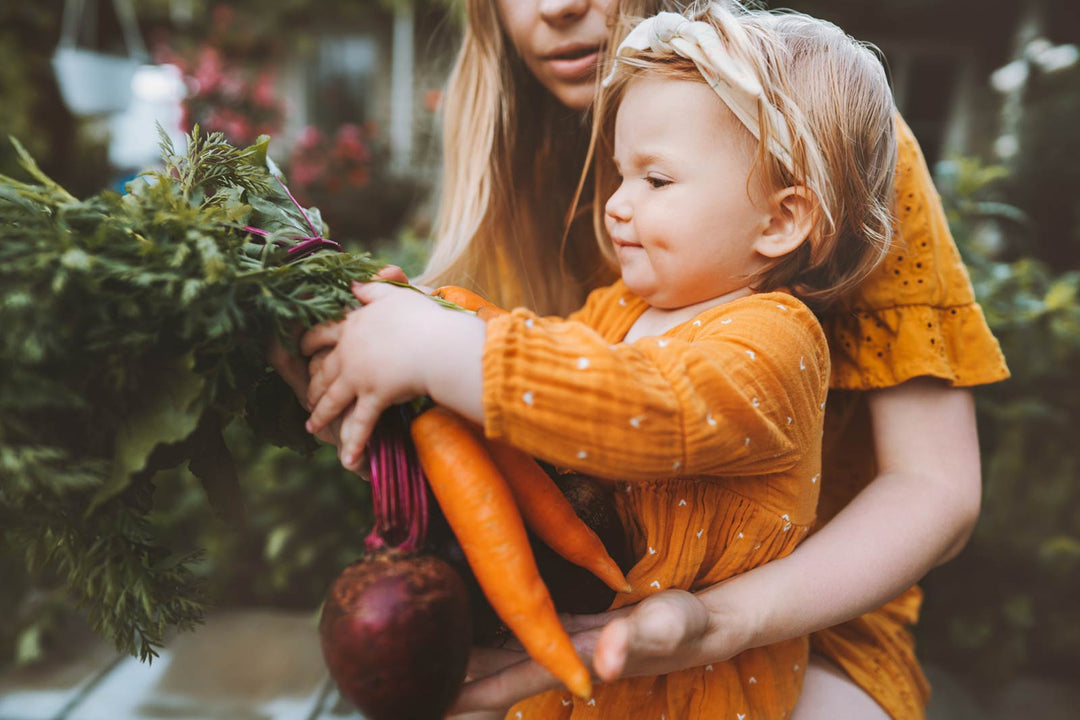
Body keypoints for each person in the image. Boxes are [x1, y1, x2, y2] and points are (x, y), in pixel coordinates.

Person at [272, 1, 1010, 718]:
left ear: (784, 218)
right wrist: (421, 319)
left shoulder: (774, 335)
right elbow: (551, 350)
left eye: (654, 181)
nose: (617, 206)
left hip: (728, 666)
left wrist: (442, 349)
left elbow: (644, 404)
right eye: (620, 175)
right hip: (604, 639)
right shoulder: (631, 298)